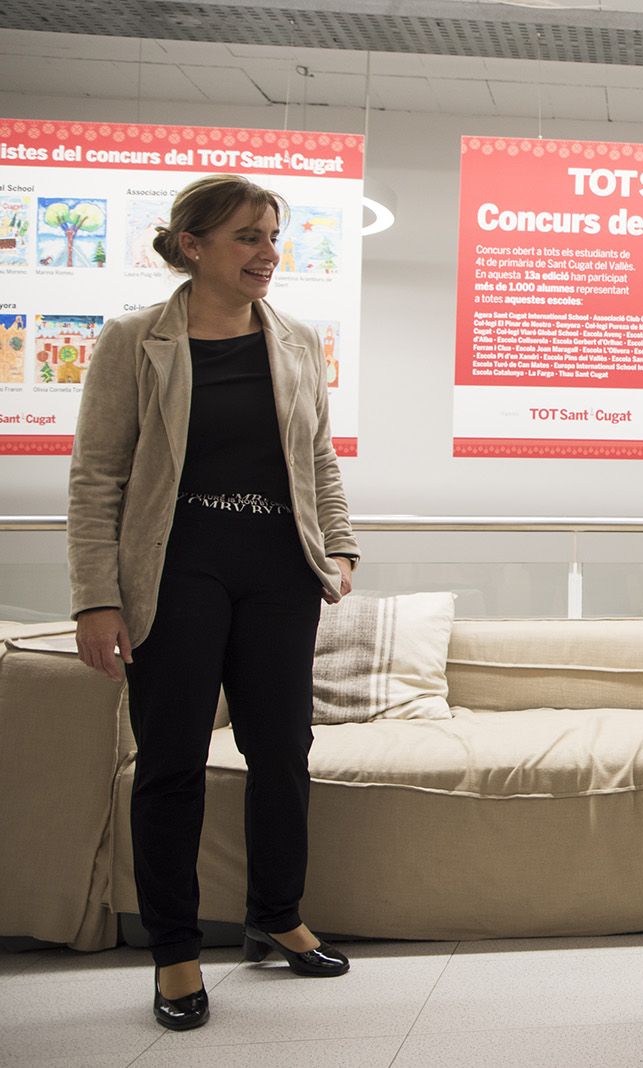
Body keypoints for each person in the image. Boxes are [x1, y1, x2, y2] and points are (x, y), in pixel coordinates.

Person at [68, 174, 360, 1031]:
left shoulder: (297, 340)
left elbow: (319, 459)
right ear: (192, 246)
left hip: (278, 570)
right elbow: (97, 479)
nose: (268, 253)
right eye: (247, 236)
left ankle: (277, 914)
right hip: (175, 570)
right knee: (171, 765)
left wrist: (339, 546)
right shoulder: (134, 341)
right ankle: (175, 951)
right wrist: (96, 598)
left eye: (274, 236)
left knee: (284, 753)